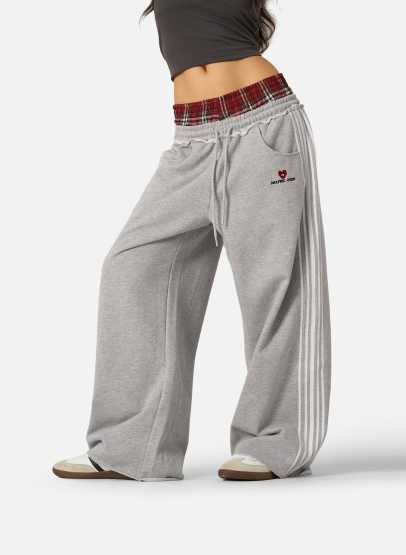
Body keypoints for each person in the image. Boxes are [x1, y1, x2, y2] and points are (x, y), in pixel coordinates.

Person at [53, 0, 331, 482]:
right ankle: (132, 447)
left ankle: (276, 442)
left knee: (275, 284)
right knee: (132, 268)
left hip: (263, 125)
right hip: (192, 139)